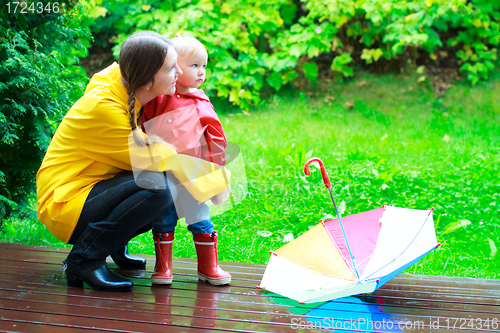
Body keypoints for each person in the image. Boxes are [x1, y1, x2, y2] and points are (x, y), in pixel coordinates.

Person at [36, 31, 230, 292]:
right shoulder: (104, 108)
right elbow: (161, 159)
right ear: (148, 80)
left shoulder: (130, 89)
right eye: (171, 68)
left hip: (93, 187)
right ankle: (84, 259)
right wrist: (218, 181)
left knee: (162, 186)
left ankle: (113, 245)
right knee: (159, 189)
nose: (178, 72)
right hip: (67, 202)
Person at [142, 34, 231, 286]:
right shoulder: (157, 98)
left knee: (199, 215)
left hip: (194, 173)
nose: (201, 72)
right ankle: (163, 266)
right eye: (194, 65)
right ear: (172, 66)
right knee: (164, 216)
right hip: (163, 172)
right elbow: (141, 127)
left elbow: (216, 136)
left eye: (204, 66)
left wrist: (216, 168)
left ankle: (208, 266)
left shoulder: (200, 101)